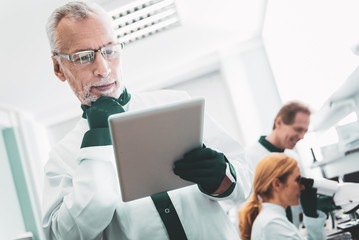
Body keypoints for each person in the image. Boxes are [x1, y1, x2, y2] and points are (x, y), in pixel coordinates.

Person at [41, 1, 252, 239]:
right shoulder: (62, 158)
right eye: (83, 57)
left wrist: (222, 177)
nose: (103, 69)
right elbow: (63, 236)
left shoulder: (177, 104)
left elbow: (244, 183)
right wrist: (97, 144)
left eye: (109, 51)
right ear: (58, 67)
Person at [238, 153, 327, 240]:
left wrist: (311, 215)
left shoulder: (273, 219)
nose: (303, 187)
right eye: (297, 180)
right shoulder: (273, 224)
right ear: (277, 184)